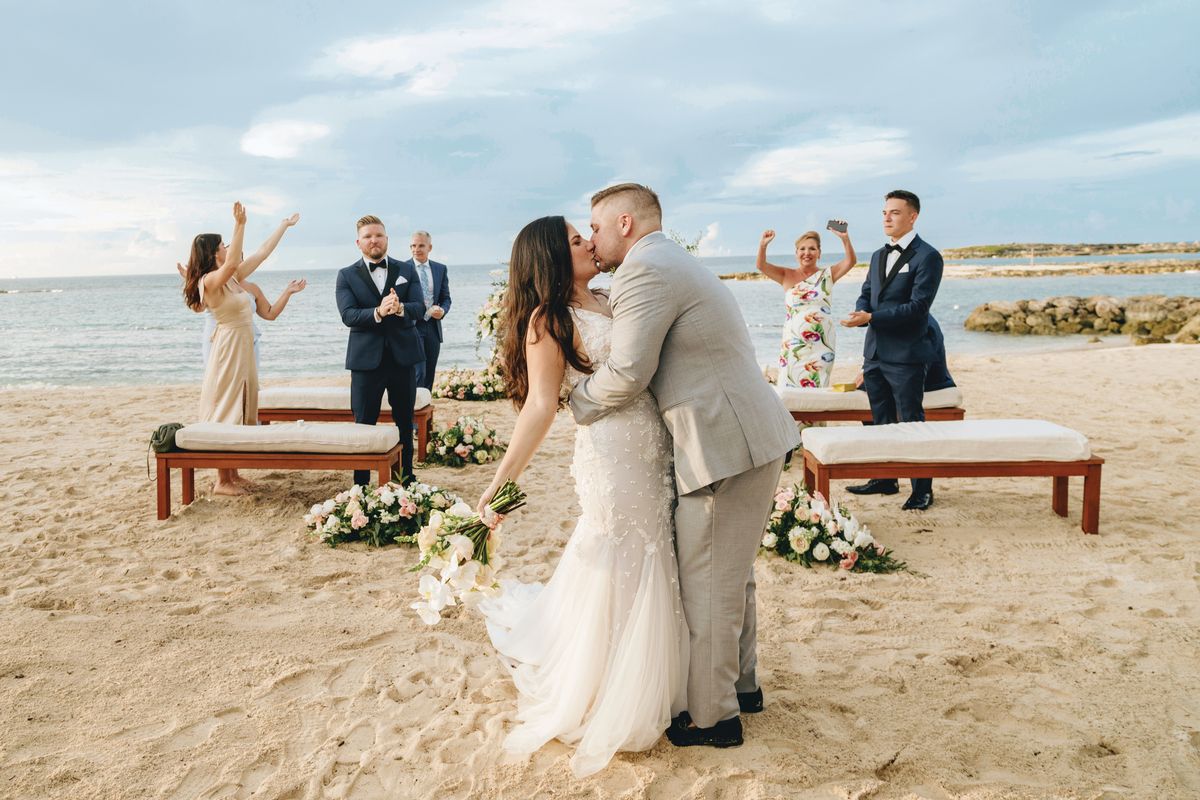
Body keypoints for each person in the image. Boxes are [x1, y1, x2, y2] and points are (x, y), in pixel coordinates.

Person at [571, 184, 801, 750]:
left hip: (723, 445)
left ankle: (713, 718)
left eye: (595, 228)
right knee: (733, 574)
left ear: (624, 223)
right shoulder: (669, 258)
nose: (593, 239)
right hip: (746, 434)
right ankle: (742, 687)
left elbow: (627, 372)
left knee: (709, 583)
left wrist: (573, 401)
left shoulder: (644, 271)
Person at [475, 215, 686, 778]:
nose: (589, 243)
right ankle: (609, 680)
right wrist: (501, 482)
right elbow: (542, 405)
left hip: (654, 445)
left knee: (656, 544)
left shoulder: (613, 297)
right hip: (611, 454)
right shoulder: (547, 321)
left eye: (585, 234)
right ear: (550, 258)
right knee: (621, 547)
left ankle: (660, 670)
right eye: (575, 240)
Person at [182, 203, 300, 495]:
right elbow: (233, 262)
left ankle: (232, 474)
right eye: (222, 245)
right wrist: (240, 224)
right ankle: (222, 481)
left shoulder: (232, 278)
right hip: (227, 348)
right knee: (226, 406)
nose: (226, 248)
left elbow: (260, 253)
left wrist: (282, 226)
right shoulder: (209, 281)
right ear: (213, 253)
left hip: (243, 345)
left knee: (242, 403)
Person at [841, 189, 943, 511]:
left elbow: (918, 307)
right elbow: (867, 293)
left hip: (907, 355)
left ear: (912, 216)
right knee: (879, 419)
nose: (887, 217)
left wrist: (872, 317)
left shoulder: (928, 256)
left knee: (912, 422)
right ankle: (885, 479)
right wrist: (860, 314)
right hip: (875, 353)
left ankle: (922, 489)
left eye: (895, 212)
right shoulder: (877, 256)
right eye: (885, 212)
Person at [335, 215, 424, 487]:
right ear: (358, 242)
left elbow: (419, 308)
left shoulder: (406, 270)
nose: (374, 240)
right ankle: (361, 487)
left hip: (403, 358)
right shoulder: (346, 275)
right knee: (363, 424)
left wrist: (400, 309)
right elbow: (348, 315)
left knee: (404, 423)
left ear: (386, 238)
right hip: (365, 362)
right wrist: (377, 312)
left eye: (378, 235)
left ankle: (405, 479)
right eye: (368, 236)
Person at [757, 222, 856, 387]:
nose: (807, 253)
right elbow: (761, 265)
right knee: (788, 388)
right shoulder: (786, 275)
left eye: (812, 249)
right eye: (802, 249)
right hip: (793, 343)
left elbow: (850, 261)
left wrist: (845, 238)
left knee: (818, 388)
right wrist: (763, 246)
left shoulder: (827, 275)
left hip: (821, 344)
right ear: (796, 253)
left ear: (819, 253)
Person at [178, 263, 306, 367]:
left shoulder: (252, 287)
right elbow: (198, 308)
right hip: (220, 341)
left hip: (249, 342)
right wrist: (193, 282)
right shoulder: (215, 283)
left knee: (248, 389)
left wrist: (288, 292)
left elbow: (270, 314)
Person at [404, 230, 451, 390]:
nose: (416, 249)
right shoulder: (402, 268)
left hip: (432, 327)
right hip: (412, 327)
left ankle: (426, 411)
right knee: (419, 373)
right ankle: (413, 411)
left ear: (429, 247)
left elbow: (446, 298)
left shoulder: (440, 269)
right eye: (413, 245)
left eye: (421, 245)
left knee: (429, 373)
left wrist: (443, 311)